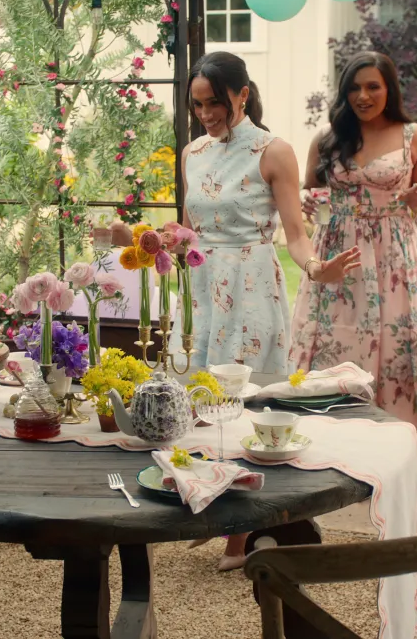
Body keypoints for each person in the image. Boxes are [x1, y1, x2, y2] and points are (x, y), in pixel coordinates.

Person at [108, 51, 361, 570]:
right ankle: (216, 504)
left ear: (242, 94)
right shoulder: (191, 152)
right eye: (197, 105)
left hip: (251, 285)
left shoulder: (274, 151)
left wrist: (315, 269)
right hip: (200, 284)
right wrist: (138, 238)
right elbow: (185, 234)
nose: (206, 114)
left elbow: (294, 233)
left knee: (245, 404)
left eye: (214, 102)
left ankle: (244, 530)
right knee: (198, 402)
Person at [291, 51, 417, 446]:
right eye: (354, 88)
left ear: (388, 89)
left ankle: (392, 446)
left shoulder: (413, 135)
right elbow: (309, 195)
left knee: (398, 344)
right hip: (339, 255)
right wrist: (310, 203)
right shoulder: (327, 139)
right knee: (336, 344)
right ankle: (334, 443)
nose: (363, 96)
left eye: (372, 87)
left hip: (397, 258)